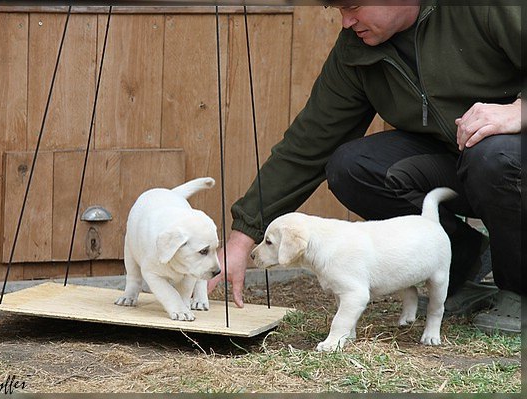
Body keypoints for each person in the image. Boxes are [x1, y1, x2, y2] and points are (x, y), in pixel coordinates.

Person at [208, 2, 522, 334]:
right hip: (456, 164)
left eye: (354, 5)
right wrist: (242, 240)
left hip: (507, 157)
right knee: (350, 167)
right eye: (340, 10)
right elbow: (309, 143)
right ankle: (459, 261)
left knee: (494, 156)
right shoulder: (356, 47)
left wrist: (518, 111)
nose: (346, 21)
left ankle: (519, 289)